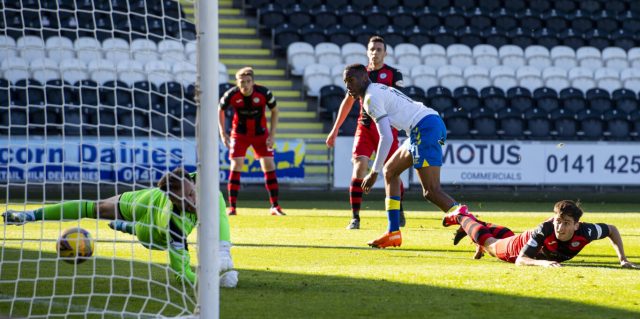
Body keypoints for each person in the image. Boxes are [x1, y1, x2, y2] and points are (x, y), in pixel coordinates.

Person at [2, 167, 239, 287]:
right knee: (97, 208)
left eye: (191, 192)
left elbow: (218, 210)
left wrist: (222, 252)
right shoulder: (172, 225)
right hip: (151, 226)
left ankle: (124, 225)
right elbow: (182, 276)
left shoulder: (204, 185)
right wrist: (212, 282)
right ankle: (30, 215)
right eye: (183, 198)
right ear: (172, 200)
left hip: (151, 202)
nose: (191, 200)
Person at [343, 63, 467, 249]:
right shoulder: (375, 90)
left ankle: (468, 221)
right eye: (345, 82)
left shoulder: (370, 98)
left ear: (364, 78)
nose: (348, 86)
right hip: (427, 125)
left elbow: (385, 138)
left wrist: (373, 172)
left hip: (425, 128)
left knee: (431, 191)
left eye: (351, 80)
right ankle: (393, 232)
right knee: (391, 172)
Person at [326, 36, 406, 230]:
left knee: (392, 172)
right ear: (367, 51)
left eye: (379, 49)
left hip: (387, 129)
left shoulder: (394, 74)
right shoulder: (360, 74)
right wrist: (335, 129)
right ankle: (355, 217)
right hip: (365, 127)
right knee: (360, 167)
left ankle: (399, 207)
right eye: (372, 49)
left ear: (385, 53)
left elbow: (400, 100)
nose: (375, 53)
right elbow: (348, 101)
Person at [442, 200, 639, 268]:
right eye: (558, 222)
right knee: (491, 245)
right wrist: (542, 263)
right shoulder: (545, 229)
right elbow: (521, 260)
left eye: (566, 224)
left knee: (506, 234)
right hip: (517, 249)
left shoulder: (587, 231)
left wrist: (622, 259)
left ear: (577, 225)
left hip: (519, 239)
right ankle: (461, 217)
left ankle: (476, 223)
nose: (560, 228)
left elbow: (612, 229)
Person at [219, 66, 285, 216]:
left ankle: (275, 206)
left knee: (269, 164)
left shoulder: (264, 92)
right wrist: (223, 133)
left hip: (260, 133)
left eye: (248, 81)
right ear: (237, 82)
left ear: (253, 82)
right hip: (239, 134)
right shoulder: (232, 94)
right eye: (242, 82)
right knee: (236, 165)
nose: (245, 85)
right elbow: (220, 109)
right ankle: (232, 207)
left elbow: (275, 110)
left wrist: (272, 134)